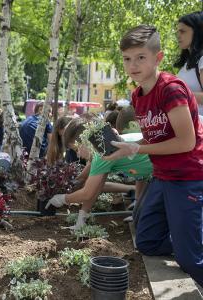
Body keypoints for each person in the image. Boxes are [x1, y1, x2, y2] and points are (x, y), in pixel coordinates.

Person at [101, 25, 203, 285]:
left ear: (158, 58)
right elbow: (154, 136)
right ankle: (189, 237)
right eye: (127, 59)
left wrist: (139, 149)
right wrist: (124, 144)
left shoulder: (172, 90)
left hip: (189, 176)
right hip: (164, 175)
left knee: (190, 260)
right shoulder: (137, 95)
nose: (132, 65)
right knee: (146, 240)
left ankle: (190, 245)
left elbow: (186, 142)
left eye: (140, 57)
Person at [175, 11, 203, 116]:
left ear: (197, 31)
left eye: (182, 31)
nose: (178, 35)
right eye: (177, 31)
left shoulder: (202, 60)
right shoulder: (186, 64)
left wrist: (178, 94)